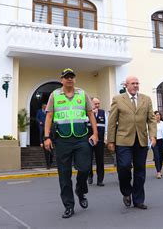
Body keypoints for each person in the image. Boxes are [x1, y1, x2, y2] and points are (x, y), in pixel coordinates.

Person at [43, 68, 99, 219]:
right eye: (66, 77)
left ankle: (80, 191)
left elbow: (90, 114)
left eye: (72, 77)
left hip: (81, 138)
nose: (69, 79)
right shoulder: (55, 95)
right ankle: (69, 206)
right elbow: (49, 117)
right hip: (62, 140)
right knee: (64, 175)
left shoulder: (82, 93)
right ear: (61, 80)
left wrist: (95, 133)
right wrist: (46, 137)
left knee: (85, 168)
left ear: (74, 79)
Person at [107, 75, 157, 210]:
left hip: (141, 140)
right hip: (123, 140)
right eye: (133, 83)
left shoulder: (146, 99)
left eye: (137, 83)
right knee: (123, 167)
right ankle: (126, 191)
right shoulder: (118, 99)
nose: (135, 85)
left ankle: (138, 200)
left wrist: (153, 135)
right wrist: (110, 140)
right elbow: (112, 121)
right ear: (126, 85)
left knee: (140, 171)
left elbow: (151, 119)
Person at [88, 97, 106, 186]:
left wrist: (106, 138)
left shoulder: (103, 112)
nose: (97, 105)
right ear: (91, 104)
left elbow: (106, 126)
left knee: (100, 160)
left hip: (100, 140)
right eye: (95, 104)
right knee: (88, 160)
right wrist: (90, 116)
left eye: (98, 103)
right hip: (89, 141)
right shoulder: (87, 113)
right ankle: (90, 176)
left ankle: (100, 180)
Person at [151, 111, 163, 179]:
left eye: (158, 115)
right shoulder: (152, 124)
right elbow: (149, 132)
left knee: (161, 156)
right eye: (156, 115)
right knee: (156, 156)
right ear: (154, 116)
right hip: (154, 141)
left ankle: (160, 169)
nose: (158, 116)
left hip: (162, 141)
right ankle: (158, 172)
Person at [37, 103, 53, 169]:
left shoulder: (47, 112)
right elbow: (37, 117)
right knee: (41, 133)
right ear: (42, 106)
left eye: (46, 106)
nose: (45, 107)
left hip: (46, 125)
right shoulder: (39, 111)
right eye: (44, 106)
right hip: (41, 125)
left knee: (52, 154)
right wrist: (39, 121)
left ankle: (50, 163)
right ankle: (48, 166)